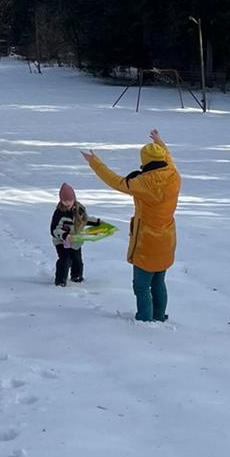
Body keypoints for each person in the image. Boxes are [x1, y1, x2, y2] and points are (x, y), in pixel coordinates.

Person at [81, 129, 180, 322]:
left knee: (142, 285)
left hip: (147, 242)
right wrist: (161, 144)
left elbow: (115, 181)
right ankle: (159, 316)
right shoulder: (173, 175)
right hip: (168, 239)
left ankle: (144, 319)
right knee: (159, 281)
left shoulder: (142, 183)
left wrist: (94, 162)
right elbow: (169, 159)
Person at [49, 181, 102, 288]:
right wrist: (64, 236)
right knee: (65, 259)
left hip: (75, 239)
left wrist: (97, 222)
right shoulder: (59, 213)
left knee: (77, 259)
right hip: (61, 241)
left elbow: (85, 220)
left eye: (70, 200)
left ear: (74, 199)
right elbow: (54, 230)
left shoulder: (80, 209)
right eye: (64, 201)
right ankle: (60, 281)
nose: (67, 203)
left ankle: (77, 277)